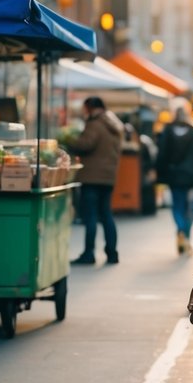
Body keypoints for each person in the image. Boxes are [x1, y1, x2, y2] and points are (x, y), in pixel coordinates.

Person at [65, 96, 122, 266]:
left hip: (92, 177)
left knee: (90, 216)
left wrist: (68, 139)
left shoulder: (95, 124)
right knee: (106, 214)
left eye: (84, 108)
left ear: (90, 107)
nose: (83, 112)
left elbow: (86, 144)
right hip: (108, 177)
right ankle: (112, 253)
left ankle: (89, 253)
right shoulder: (112, 124)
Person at [156, 100, 193, 254]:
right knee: (192, 206)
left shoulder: (167, 130)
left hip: (174, 175)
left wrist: (160, 172)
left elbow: (162, 154)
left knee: (177, 204)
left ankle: (180, 229)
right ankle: (185, 232)